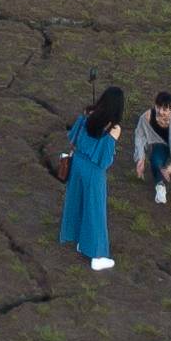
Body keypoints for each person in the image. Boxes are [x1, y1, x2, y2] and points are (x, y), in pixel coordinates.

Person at [60, 86, 122, 271]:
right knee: (95, 210)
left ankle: (80, 239)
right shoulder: (114, 128)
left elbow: (73, 139)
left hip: (77, 164)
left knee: (77, 202)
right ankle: (97, 254)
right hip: (94, 172)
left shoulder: (88, 114)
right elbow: (105, 160)